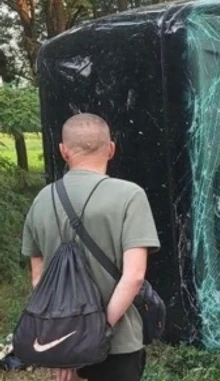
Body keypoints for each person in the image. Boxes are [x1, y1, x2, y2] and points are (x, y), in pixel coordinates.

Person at [21, 113, 160, 381]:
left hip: (65, 341)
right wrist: (96, 330)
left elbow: (39, 279)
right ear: (111, 149)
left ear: (63, 151)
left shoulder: (41, 199)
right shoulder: (130, 196)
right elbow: (134, 276)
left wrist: (68, 336)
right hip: (118, 343)